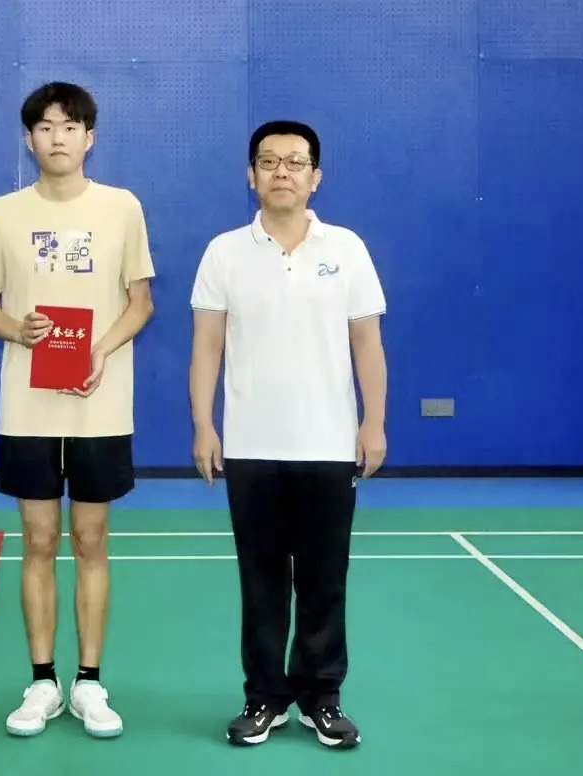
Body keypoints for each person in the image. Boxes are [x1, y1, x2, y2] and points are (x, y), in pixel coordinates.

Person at [187, 119, 387, 751]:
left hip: (329, 445)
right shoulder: (224, 252)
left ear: (315, 177)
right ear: (251, 176)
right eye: (269, 162)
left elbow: (367, 343)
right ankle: (265, 699)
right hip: (250, 446)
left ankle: (322, 698)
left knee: (325, 580)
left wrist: (374, 422)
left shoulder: (346, 249)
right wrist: (204, 425)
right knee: (262, 582)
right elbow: (207, 347)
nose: (282, 172)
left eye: (295, 162)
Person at [0, 81, 156, 739]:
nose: (57, 137)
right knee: (39, 541)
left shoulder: (122, 207)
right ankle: (43, 681)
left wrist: (99, 351)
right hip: (29, 408)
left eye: (70, 126)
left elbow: (140, 302)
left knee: (92, 539)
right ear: (30, 139)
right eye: (45, 127)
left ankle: (90, 683)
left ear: (89, 138)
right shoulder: (3, 213)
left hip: (99, 406)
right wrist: (17, 330)